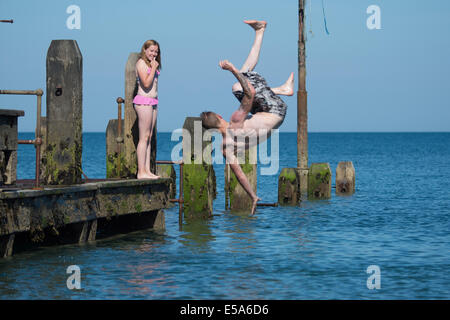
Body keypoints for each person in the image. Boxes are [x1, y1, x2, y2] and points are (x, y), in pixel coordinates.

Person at [200, 20, 294, 214]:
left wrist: (253, 195)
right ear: (219, 116)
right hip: (274, 109)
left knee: (240, 85)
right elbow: (250, 92)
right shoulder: (235, 121)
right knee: (238, 83)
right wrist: (233, 70)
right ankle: (261, 32)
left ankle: (282, 88)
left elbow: (240, 175)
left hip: (273, 116)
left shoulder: (225, 148)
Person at [134, 40, 162, 179]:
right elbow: (145, 83)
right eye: (151, 50)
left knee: (149, 137)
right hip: (143, 102)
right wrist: (153, 67)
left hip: (153, 102)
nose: (153, 53)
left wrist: (154, 66)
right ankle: (141, 172)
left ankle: (147, 170)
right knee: (143, 137)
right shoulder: (141, 63)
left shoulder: (153, 64)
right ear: (145, 50)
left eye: (156, 51)